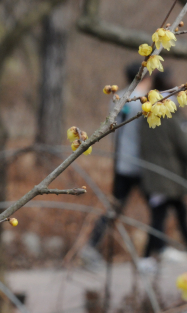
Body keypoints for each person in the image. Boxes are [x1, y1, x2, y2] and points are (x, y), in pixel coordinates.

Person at [138, 72, 187, 271]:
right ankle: (147, 258)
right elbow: (185, 145)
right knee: (163, 217)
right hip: (169, 176)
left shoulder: (146, 111)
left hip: (154, 175)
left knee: (169, 215)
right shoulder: (169, 114)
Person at [79, 61, 151, 267]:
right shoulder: (140, 101)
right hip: (138, 165)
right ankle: (156, 252)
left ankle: (91, 246)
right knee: (158, 207)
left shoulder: (118, 99)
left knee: (115, 208)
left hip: (122, 163)